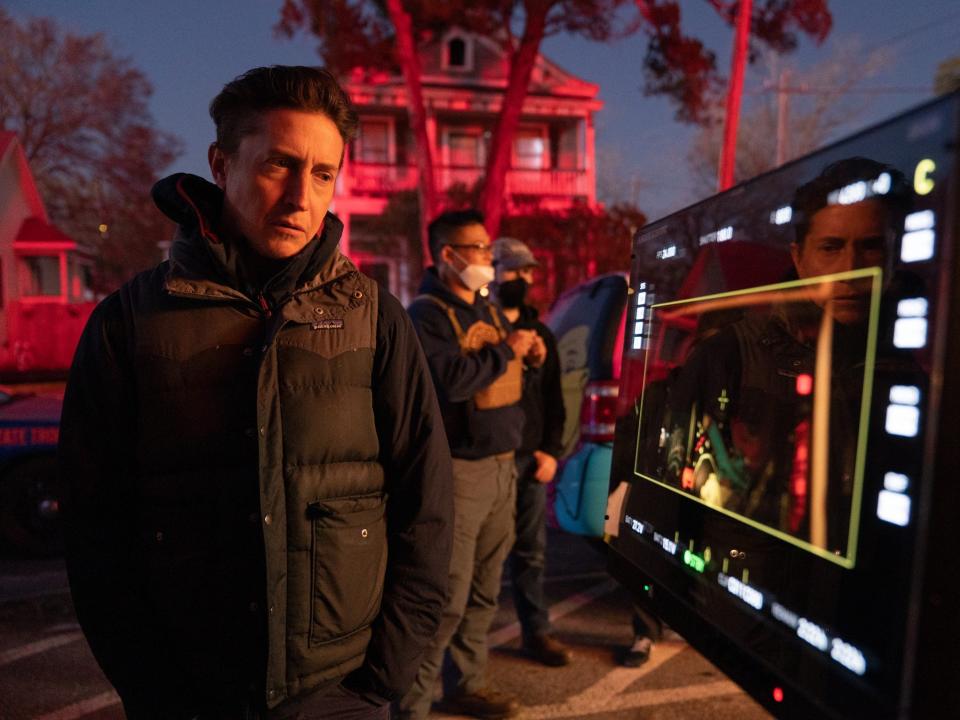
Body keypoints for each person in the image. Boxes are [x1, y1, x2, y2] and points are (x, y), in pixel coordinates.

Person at [58, 65, 453, 720]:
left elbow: (427, 506)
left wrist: (385, 675)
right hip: (187, 696)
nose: (302, 196)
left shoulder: (375, 317)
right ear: (220, 163)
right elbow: (95, 526)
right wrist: (151, 686)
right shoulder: (130, 322)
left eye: (323, 174)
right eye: (279, 164)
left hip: (342, 694)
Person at [660, 157, 911, 554]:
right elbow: (673, 504)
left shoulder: (924, 361)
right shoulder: (729, 356)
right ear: (799, 257)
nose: (850, 269)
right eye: (831, 248)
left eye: (871, 246)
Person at [399, 211, 538, 720]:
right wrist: (506, 351)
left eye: (486, 248)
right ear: (447, 256)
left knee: (484, 592)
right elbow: (450, 382)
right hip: (460, 473)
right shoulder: (426, 314)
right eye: (476, 249)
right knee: (445, 599)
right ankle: (411, 705)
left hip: (502, 467)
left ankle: (467, 685)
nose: (486, 258)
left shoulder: (485, 305)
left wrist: (530, 352)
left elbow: (503, 368)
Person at [490, 237, 571, 667]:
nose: (523, 279)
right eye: (514, 270)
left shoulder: (541, 333)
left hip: (529, 460)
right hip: (486, 461)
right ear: (493, 271)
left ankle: (536, 632)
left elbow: (556, 400)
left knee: (531, 552)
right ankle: (460, 653)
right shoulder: (481, 328)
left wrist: (551, 452)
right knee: (480, 558)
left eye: (527, 272)